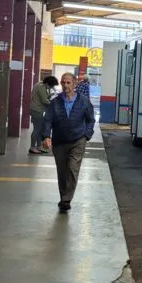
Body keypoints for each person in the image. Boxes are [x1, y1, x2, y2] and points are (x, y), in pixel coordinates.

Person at [42, 73, 95, 213]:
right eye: (63, 83)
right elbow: (48, 120)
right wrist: (46, 136)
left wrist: (87, 135)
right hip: (59, 141)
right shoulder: (55, 102)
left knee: (72, 168)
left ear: (75, 84)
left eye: (68, 83)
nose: (65, 86)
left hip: (78, 140)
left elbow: (91, 120)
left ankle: (66, 199)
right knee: (62, 171)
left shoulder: (84, 102)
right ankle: (63, 196)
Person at [29, 76, 58, 154]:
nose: (52, 87)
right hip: (37, 110)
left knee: (40, 129)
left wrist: (50, 95)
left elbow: (43, 97)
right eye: (52, 85)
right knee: (37, 129)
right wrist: (54, 105)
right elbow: (44, 100)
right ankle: (32, 147)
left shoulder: (39, 84)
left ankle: (39, 146)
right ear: (48, 83)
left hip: (37, 109)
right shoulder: (41, 87)